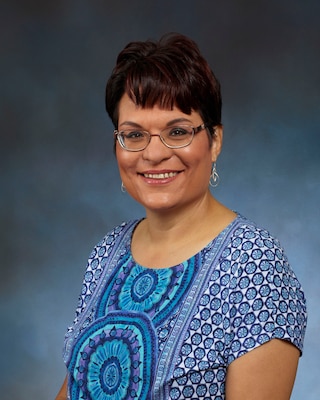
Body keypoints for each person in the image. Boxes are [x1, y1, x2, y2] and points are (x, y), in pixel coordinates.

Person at [55, 33, 307, 400]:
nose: (153, 153)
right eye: (134, 134)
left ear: (215, 140)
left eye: (176, 132)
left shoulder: (254, 264)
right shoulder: (106, 254)